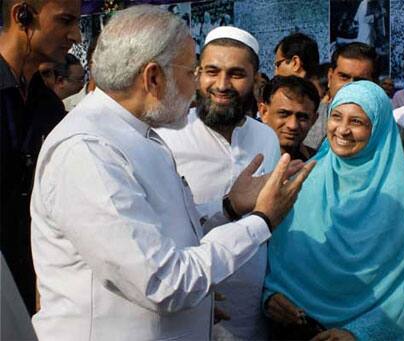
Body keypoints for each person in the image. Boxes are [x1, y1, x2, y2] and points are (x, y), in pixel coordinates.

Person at [30, 7, 315, 340]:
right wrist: (261, 220)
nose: (198, 84)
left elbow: (161, 235)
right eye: (192, 71)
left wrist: (228, 208)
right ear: (153, 77)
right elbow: (163, 283)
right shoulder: (89, 150)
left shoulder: (140, 135)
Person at [264, 81, 404, 340]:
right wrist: (270, 296)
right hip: (295, 331)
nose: (342, 130)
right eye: (336, 117)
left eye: (357, 122)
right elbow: (268, 251)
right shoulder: (302, 181)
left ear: (377, 130)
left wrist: (359, 333)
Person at [156, 25, 282, 341]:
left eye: (236, 74)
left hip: (252, 311)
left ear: (257, 80)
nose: (222, 85)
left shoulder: (265, 136)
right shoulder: (167, 135)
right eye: (212, 71)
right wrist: (227, 207)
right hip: (186, 307)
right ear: (198, 74)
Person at [0, 0, 81, 314]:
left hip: (38, 288)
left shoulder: (48, 105)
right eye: (65, 21)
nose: (75, 34)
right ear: (22, 15)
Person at [303, 42, 378, 150]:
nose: (349, 86)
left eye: (360, 80)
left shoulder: (389, 130)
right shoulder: (305, 120)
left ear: (374, 84)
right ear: (330, 77)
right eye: (344, 77)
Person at [260, 76, 320, 161]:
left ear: (313, 120)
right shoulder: (240, 157)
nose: (293, 125)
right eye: (284, 114)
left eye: (302, 117)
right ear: (264, 112)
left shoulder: (320, 164)